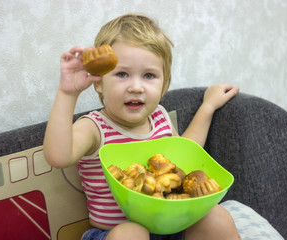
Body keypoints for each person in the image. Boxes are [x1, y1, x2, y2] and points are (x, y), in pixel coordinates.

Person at [43, 13, 240, 240]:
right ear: (99, 83)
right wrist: (68, 93)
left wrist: (208, 106)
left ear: (164, 84)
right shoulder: (95, 128)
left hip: (171, 228)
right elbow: (58, 156)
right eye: (122, 74)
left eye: (149, 75)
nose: (136, 87)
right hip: (112, 234)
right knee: (132, 233)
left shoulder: (160, 117)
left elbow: (187, 150)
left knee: (217, 217)